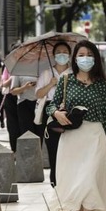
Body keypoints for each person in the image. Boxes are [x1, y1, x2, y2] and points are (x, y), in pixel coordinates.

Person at [47, 40, 106, 211]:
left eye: (89, 54)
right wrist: (57, 113)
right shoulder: (66, 80)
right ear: (75, 58)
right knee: (77, 182)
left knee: (89, 180)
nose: (85, 58)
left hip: (95, 137)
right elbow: (51, 105)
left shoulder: (102, 84)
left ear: (95, 58)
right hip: (72, 138)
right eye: (81, 54)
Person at [36, 41, 73, 187]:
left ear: (69, 55)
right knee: (53, 146)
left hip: (69, 110)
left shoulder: (73, 73)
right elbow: (38, 94)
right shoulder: (46, 73)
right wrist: (51, 84)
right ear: (54, 55)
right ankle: (55, 179)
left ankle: (68, 179)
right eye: (59, 52)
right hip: (50, 110)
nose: (62, 54)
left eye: (65, 52)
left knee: (69, 146)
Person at [10, 74, 39, 138]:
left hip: (40, 103)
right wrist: (25, 87)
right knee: (27, 132)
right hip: (24, 103)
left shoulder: (42, 68)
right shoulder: (18, 70)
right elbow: (13, 91)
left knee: (40, 131)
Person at [0, 67, 19, 151]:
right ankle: (14, 149)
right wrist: (12, 78)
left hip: (25, 97)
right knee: (12, 126)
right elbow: (3, 84)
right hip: (11, 97)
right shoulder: (9, 67)